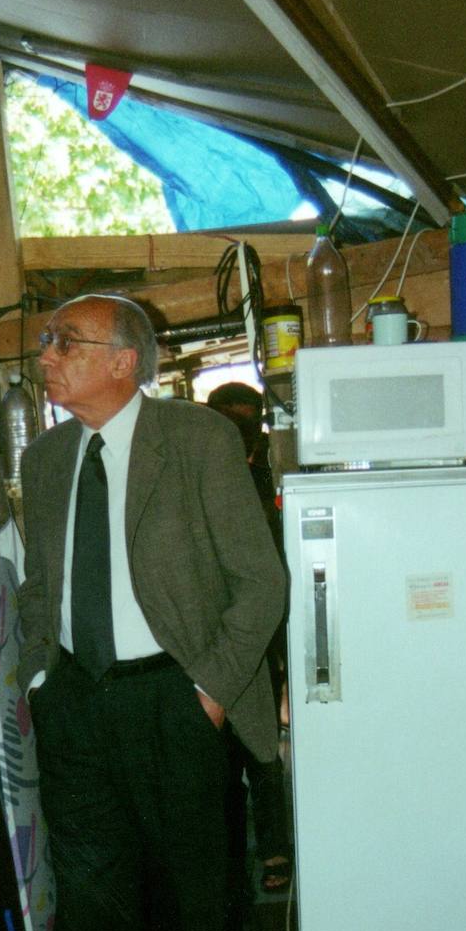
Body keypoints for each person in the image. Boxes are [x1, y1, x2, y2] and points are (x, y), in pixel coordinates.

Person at [18, 294, 285, 931]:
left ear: (126, 360)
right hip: (78, 706)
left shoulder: (196, 440)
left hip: (175, 698)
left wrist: (209, 690)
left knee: (196, 895)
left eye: (65, 343)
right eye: (46, 342)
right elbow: (38, 586)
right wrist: (36, 679)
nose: (46, 356)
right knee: (94, 916)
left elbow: (260, 581)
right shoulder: (47, 457)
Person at [206, 382, 292, 893]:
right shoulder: (195, 473)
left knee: (260, 747)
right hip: (207, 636)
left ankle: (275, 849)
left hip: (258, 631)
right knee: (219, 758)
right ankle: (233, 859)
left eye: (244, 422)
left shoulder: (264, 475)